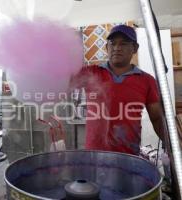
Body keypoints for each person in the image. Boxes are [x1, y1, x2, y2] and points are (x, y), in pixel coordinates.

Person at [70, 24, 165, 155]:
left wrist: (173, 148)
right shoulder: (92, 73)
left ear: (135, 48)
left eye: (124, 43)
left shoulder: (146, 80)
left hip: (128, 156)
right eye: (112, 43)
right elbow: (62, 82)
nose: (116, 48)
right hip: (94, 156)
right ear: (106, 47)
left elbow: (157, 118)